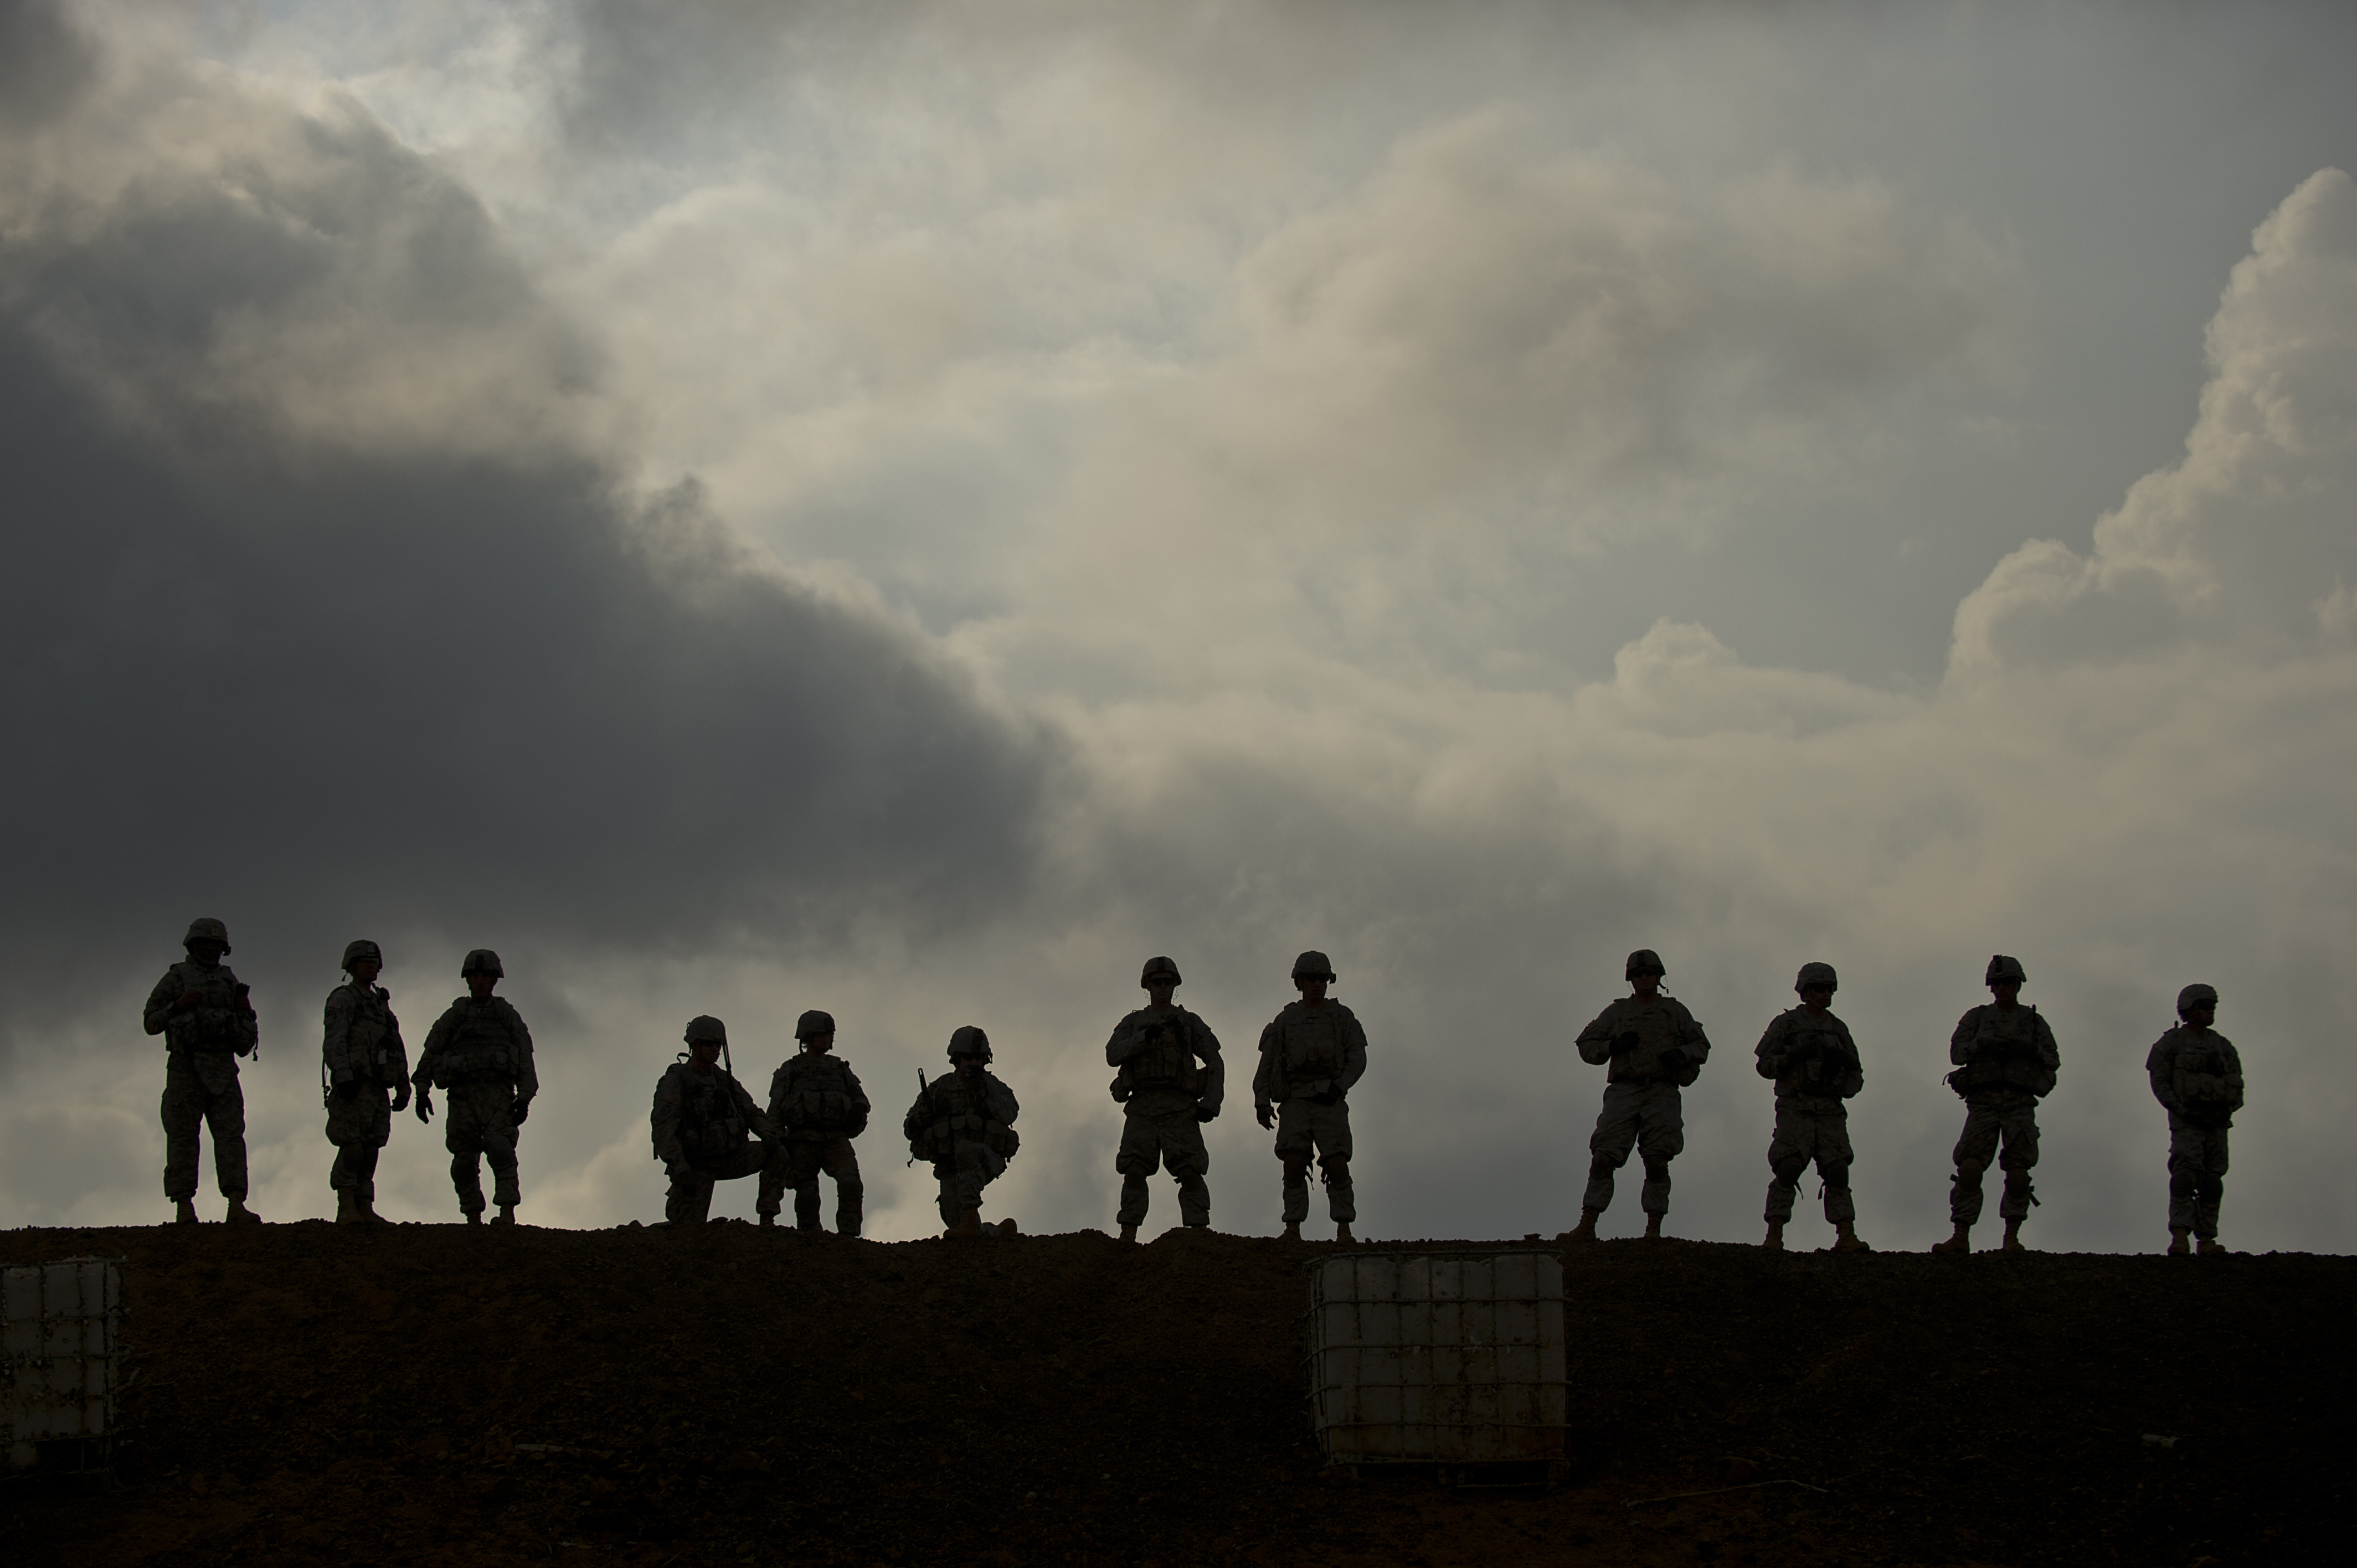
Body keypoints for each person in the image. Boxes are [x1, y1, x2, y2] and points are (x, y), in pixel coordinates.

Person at [1565, 950, 1711, 1242]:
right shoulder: (1618, 1013)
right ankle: (1588, 1224)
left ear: (1660, 977)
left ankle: (1653, 1228)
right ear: (1630, 980)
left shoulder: (1675, 1012)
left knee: (1657, 1161)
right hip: (1625, 1090)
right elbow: (1586, 1045)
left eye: (1650, 974)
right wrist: (1614, 1046)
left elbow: (1701, 1046)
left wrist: (1680, 1054)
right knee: (1604, 1158)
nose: (1645, 979)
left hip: (1662, 1092)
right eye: (1638, 975)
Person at [1932, 955, 2059, 1255]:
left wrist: (2028, 1048)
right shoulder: (1977, 1018)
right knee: (1970, 1169)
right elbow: (1957, 1053)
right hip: (1984, 1103)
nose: (2003, 988)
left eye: (2009, 983)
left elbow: (2053, 1059)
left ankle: (2011, 1238)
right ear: (1991, 987)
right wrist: (1982, 1045)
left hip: (2019, 1104)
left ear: (2018, 985)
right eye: (1998, 983)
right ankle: (1960, 1236)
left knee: (2018, 1174)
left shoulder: (2033, 1022)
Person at [142, 917, 262, 1224]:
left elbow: (246, 1040)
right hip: (186, 1071)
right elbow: (151, 1023)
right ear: (193, 946)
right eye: (206, 945)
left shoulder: (230, 983)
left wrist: (243, 1012)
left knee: (231, 1137)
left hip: (223, 1070)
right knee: (183, 1137)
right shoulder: (176, 979)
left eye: (217, 946)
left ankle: (236, 1203)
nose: (212, 951)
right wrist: (178, 1006)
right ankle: (184, 1206)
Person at [411, 948, 537, 1225]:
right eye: (475, 976)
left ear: (494, 980)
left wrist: (525, 1098)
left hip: (498, 1096)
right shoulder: (455, 1016)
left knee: (501, 1149)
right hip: (462, 1098)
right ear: (468, 980)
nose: (480, 981)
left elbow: (525, 1055)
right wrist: (422, 1091)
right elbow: (430, 1053)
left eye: (486, 976)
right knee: (464, 1162)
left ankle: (507, 1211)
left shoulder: (506, 1015)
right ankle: (472, 1216)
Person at [1105, 955, 1224, 1241]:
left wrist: (1211, 1101)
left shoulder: (1188, 1023)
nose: (1162, 988)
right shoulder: (1133, 1023)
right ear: (1147, 985)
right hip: (1142, 1107)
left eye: (1167, 982)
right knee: (1133, 1170)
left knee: (1190, 1171)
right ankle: (1128, 1233)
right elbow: (1112, 1055)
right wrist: (1145, 1037)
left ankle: (1199, 1232)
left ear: (1175, 985)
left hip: (1179, 1107)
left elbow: (1215, 1061)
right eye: (1157, 982)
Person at [1252, 951, 1368, 1244]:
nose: (1318, 984)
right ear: (1300, 982)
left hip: (1330, 1101)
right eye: (1312, 979)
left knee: (1337, 1164)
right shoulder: (1287, 1019)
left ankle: (1344, 1228)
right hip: (1295, 1102)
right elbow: (1267, 1062)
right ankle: (1293, 1227)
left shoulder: (1342, 1017)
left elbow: (1358, 1057)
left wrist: (1340, 1086)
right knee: (1293, 1164)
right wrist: (1262, 1101)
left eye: (1322, 979)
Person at [1753, 961, 1869, 1252]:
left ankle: (1846, 1235)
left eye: (1829, 988)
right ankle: (1774, 1235)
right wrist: (1792, 1057)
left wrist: (1839, 1079)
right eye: (1819, 988)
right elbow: (1764, 1065)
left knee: (1838, 1171)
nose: (1825, 994)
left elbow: (1856, 1074)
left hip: (1830, 1110)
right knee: (1789, 1168)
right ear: (1805, 991)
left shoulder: (1837, 1029)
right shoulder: (1787, 1025)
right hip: (1796, 1107)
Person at [2145, 983, 2245, 1256]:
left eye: (2212, 1006)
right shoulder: (2172, 1043)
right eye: (2204, 1006)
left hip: (2216, 1123)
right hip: (2187, 1122)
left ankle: (2207, 1239)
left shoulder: (2222, 1046)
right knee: (2185, 1177)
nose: (2210, 1011)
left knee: (2212, 1181)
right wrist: (2178, 1109)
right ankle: (2180, 1235)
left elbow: (2237, 1084)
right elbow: (2159, 1079)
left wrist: (2227, 1110)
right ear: (2190, 1009)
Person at [652, 1015, 779, 1226]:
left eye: (719, 1045)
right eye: (709, 1044)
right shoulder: (677, 1081)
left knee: (777, 1154)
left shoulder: (723, 1079)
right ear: (695, 1045)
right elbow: (663, 1131)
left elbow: (751, 1111)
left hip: (729, 1157)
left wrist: (768, 1134)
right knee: (688, 1229)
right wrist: (681, 1169)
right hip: (695, 1166)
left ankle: (767, 1218)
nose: (715, 1049)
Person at [321, 939, 412, 1224]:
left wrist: (403, 1083)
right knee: (353, 1146)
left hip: (377, 1087)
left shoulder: (380, 1006)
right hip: (354, 1086)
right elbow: (334, 1042)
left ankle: (365, 1204)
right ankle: (345, 1205)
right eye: (365, 962)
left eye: (374, 962)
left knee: (372, 1147)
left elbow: (396, 1045)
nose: (371, 967)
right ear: (352, 966)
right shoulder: (344, 1000)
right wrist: (344, 1076)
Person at [903, 1027, 1021, 1238]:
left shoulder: (992, 1086)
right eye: (969, 1058)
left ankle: (971, 1218)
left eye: (980, 1058)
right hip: (950, 1166)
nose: (975, 1063)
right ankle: (996, 1232)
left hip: (985, 1158)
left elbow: (1010, 1114)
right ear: (957, 1059)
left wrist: (987, 1091)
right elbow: (909, 1127)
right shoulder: (940, 1089)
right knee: (956, 1222)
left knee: (967, 1150)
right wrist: (920, 1120)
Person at [761, 1009, 868, 1235]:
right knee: (807, 1192)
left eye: (828, 1034)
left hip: (835, 1138)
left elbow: (860, 1097)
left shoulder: (840, 1069)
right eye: (819, 1034)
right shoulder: (792, 1069)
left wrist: (858, 1110)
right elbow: (776, 1108)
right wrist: (778, 1140)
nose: (825, 1039)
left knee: (851, 1183)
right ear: (806, 1038)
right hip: (802, 1140)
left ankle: (849, 1236)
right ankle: (810, 1238)